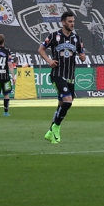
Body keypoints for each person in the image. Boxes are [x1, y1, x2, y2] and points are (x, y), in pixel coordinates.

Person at [38, 11, 86, 144]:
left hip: (70, 76)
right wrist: (49, 61)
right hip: (58, 74)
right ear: (63, 22)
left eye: (73, 22)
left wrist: (83, 57)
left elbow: (82, 54)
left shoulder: (77, 38)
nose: (72, 24)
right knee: (68, 101)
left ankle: (50, 132)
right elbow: (41, 49)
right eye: (70, 22)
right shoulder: (54, 36)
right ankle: (56, 127)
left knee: (62, 104)